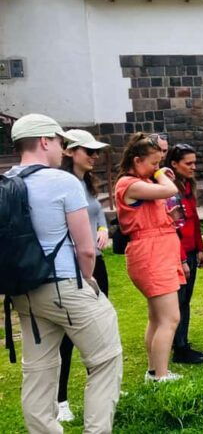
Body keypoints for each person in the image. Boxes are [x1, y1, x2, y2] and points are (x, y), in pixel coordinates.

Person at [6, 115, 122, 433]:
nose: (62, 148)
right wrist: (88, 278)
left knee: (38, 371)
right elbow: (86, 248)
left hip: (24, 290)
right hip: (64, 286)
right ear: (45, 141)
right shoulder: (63, 182)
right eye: (59, 141)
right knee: (106, 358)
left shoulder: (7, 182)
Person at [114, 133, 186, 382]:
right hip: (150, 253)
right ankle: (160, 376)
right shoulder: (130, 184)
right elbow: (169, 190)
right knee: (170, 317)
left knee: (157, 317)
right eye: (154, 163)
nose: (157, 168)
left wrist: (155, 172)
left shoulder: (140, 181)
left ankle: (154, 370)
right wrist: (160, 175)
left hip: (159, 251)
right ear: (137, 160)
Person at [56, 130, 113, 422]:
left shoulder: (87, 183)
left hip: (97, 262)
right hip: (72, 266)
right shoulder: (62, 183)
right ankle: (60, 399)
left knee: (99, 327)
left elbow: (97, 213)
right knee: (68, 335)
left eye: (96, 152)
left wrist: (103, 229)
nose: (94, 156)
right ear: (69, 151)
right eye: (87, 151)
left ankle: (101, 386)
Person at [164, 143, 203, 364]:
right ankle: (178, 347)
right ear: (174, 164)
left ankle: (183, 342)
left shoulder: (189, 186)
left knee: (186, 299)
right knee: (178, 300)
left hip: (191, 248)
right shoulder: (168, 190)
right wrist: (182, 258)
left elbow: (194, 221)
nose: (193, 167)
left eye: (194, 162)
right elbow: (173, 227)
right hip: (177, 252)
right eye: (188, 163)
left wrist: (200, 248)